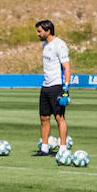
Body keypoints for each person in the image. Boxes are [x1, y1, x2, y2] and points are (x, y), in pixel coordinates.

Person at [35, 19, 71, 154]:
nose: (38, 34)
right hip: (46, 86)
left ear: (48, 31)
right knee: (44, 117)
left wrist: (65, 89)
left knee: (59, 117)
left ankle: (62, 148)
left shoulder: (60, 45)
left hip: (57, 86)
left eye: (40, 31)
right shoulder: (45, 45)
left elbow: (67, 67)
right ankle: (44, 148)